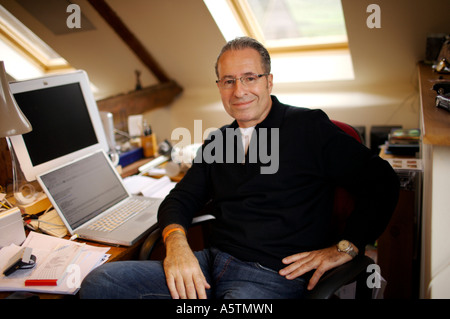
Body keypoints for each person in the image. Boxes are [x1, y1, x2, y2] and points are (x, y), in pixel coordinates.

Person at [80, 37, 399, 299]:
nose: (239, 90)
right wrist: (177, 245)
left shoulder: (307, 126)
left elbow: (382, 181)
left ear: (269, 81)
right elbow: (180, 199)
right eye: (229, 81)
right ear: (219, 87)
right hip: (209, 266)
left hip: (272, 276)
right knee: (102, 282)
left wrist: (346, 247)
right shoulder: (219, 141)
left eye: (250, 78)